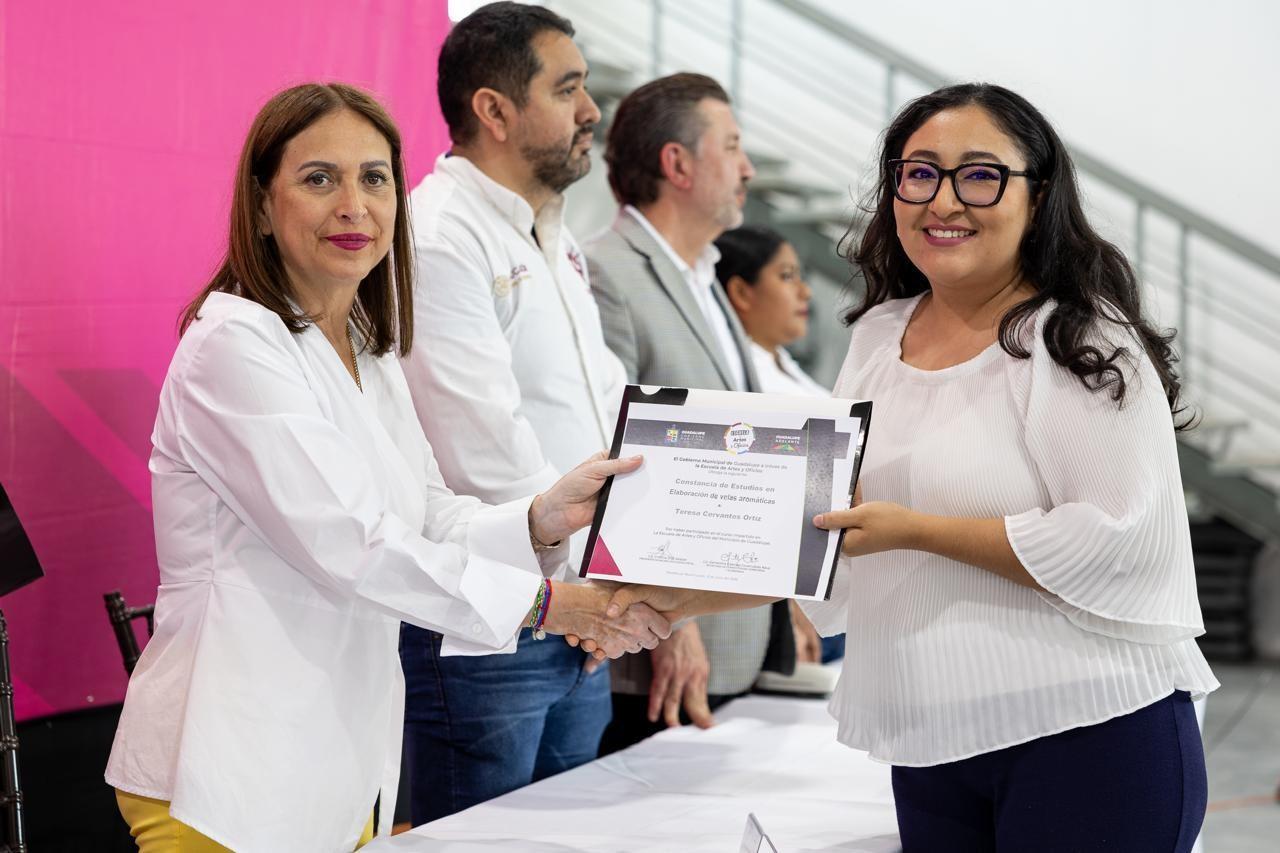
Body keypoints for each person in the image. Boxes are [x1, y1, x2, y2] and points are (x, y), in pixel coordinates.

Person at [606, 83, 1217, 852]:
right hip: (933, 741)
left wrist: (917, 531)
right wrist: (665, 594)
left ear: (1039, 193)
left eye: (980, 174)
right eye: (919, 172)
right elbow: (828, 530)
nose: (943, 200)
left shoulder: (1077, 338)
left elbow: (1122, 541)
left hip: (1088, 732)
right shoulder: (879, 335)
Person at [103, 82, 669, 853]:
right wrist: (551, 605)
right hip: (224, 773)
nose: (354, 205)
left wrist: (541, 515)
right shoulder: (232, 344)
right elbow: (355, 545)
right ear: (262, 207)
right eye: (318, 178)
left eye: (374, 178)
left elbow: (429, 514)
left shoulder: (368, 349)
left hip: (337, 766)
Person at [397, 2, 629, 824]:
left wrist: (612, 582)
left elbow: (605, 406)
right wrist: (586, 595)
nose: (591, 110)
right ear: (494, 110)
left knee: (572, 837)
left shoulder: (553, 233)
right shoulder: (438, 234)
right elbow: (481, 447)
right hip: (489, 627)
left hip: (578, 610)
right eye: (568, 89)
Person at [582, 73, 795, 751]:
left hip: (730, 633)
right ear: (677, 163)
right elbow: (610, 456)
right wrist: (673, 623)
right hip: (659, 651)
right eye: (730, 146)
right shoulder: (605, 272)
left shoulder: (701, 275)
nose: (748, 167)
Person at [713, 224, 844, 665]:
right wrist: (792, 602)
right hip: (792, 592)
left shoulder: (781, 362)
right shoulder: (740, 378)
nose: (805, 292)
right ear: (741, 293)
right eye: (787, 276)